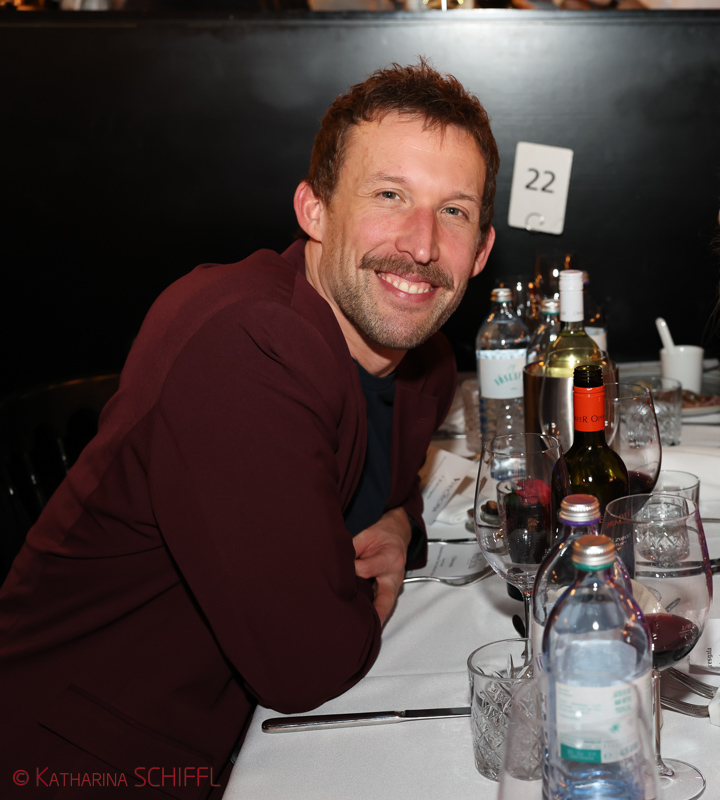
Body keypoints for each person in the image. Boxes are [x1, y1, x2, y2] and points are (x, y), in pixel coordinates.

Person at [0, 60, 497, 795]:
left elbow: (382, 494)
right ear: (314, 211)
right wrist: (359, 586)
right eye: (389, 195)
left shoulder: (422, 362)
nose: (421, 244)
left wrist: (397, 522)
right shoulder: (247, 343)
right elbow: (305, 664)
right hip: (82, 755)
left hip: (224, 733)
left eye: (453, 211)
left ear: (481, 251)